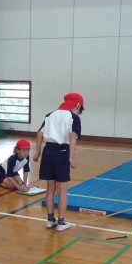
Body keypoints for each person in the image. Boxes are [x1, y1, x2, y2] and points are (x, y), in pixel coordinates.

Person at [33, 92, 84, 232]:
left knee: (50, 188)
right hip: (62, 152)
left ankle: (50, 220)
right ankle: (61, 222)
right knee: (62, 190)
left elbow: (39, 133)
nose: (79, 113)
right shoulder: (74, 118)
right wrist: (72, 156)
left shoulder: (50, 115)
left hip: (48, 151)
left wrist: (38, 152)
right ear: (77, 105)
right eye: (80, 109)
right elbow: (72, 136)